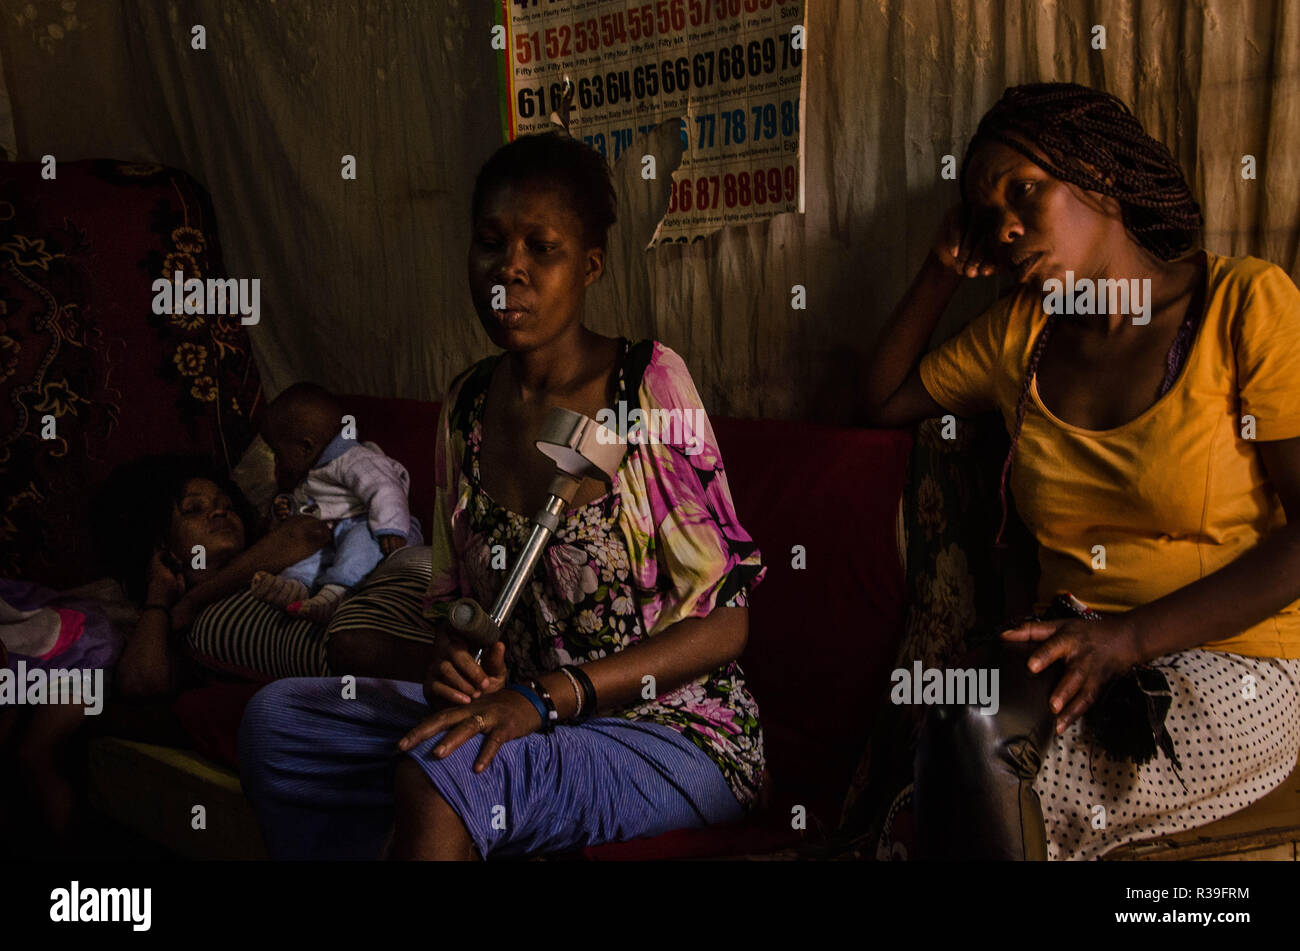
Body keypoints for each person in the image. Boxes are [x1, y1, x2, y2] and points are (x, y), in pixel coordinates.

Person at [238, 131, 766, 860]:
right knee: (278, 720)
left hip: (669, 728)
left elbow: (726, 624)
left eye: (539, 247)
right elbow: (456, 603)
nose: (508, 269)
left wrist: (545, 696)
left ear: (589, 266)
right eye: (490, 242)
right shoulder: (464, 406)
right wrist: (455, 658)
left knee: (449, 771)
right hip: (522, 709)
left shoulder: (645, 386)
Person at [861, 82, 1300, 860]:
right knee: (956, 729)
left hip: (1240, 665)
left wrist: (1130, 638)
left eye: (1023, 191)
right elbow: (882, 398)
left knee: (990, 789)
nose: (1006, 226)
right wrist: (939, 267)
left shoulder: (1244, 306)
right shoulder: (1019, 337)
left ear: (1098, 176)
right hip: (1071, 655)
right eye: (986, 213)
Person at [96, 455, 333, 697]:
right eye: (193, 509)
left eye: (227, 506)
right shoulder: (188, 633)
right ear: (160, 541)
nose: (219, 512)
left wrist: (195, 599)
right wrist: (158, 597)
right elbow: (140, 683)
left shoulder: (272, 559)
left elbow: (311, 532)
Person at [250, 382, 418, 623]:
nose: (279, 463)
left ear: (306, 447)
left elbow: (385, 488)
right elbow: (311, 508)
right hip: (334, 535)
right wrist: (289, 508)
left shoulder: (354, 458)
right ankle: (294, 587)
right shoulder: (312, 475)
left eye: (278, 453)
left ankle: (336, 594)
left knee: (356, 545)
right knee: (311, 557)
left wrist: (390, 528)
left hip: (377, 529)